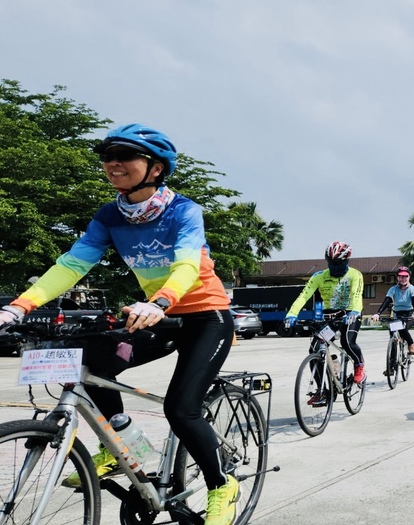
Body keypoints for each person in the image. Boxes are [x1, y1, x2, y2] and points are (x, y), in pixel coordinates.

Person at [0, 124, 238, 525]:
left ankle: (222, 486)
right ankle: (122, 444)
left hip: (204, 316)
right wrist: (19, 307)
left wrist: (161, 300)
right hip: (156, 315)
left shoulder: (183, 211)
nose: (113, 164)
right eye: (108, 156)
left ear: (156, 168)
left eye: (125, 156)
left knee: (181, 410)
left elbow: (186, 264)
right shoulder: (111, 215)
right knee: (91, 362)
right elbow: (71, 265)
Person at [285, 241, 367, 386]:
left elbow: (357, 294)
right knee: (315, 349)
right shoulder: (319, 276)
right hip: (331, 317)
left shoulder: (355, 275)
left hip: (350, 314)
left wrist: (354, 311)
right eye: (331, 263)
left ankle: (359, 365)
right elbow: (304, 296)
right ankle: (322, 390)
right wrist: (292, 314)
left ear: (346, 261)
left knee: (347, 341)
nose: (334, 267)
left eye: (338, 264)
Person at [373, 266, 414, 371]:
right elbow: (387, 300)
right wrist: (378, 313)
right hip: (397, 314)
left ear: (409, 277)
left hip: (409, 314)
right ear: (397, 277)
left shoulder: (412, 289)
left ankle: (411, 343)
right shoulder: (393, 289)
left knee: (402, 329)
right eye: (400, 276)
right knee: (393, 339)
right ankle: (391, 366)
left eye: (405, 276)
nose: (403, 279)